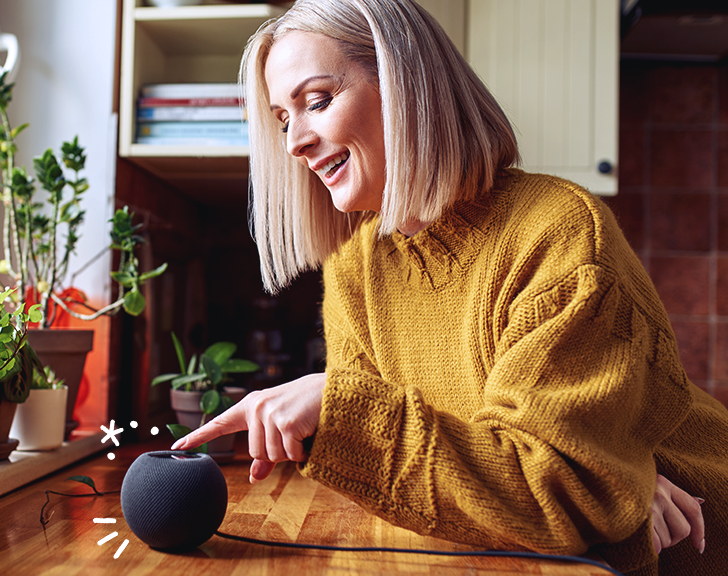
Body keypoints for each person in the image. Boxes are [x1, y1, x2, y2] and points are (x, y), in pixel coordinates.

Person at [170, 1, 726, 574]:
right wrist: (610, 486)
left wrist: (600, 483)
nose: (294, 143)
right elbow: (439, 482)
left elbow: (552, 494)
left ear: (407, 85)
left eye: (316, 102)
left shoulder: (557, 230)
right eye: (284, 119)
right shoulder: (356, 269)